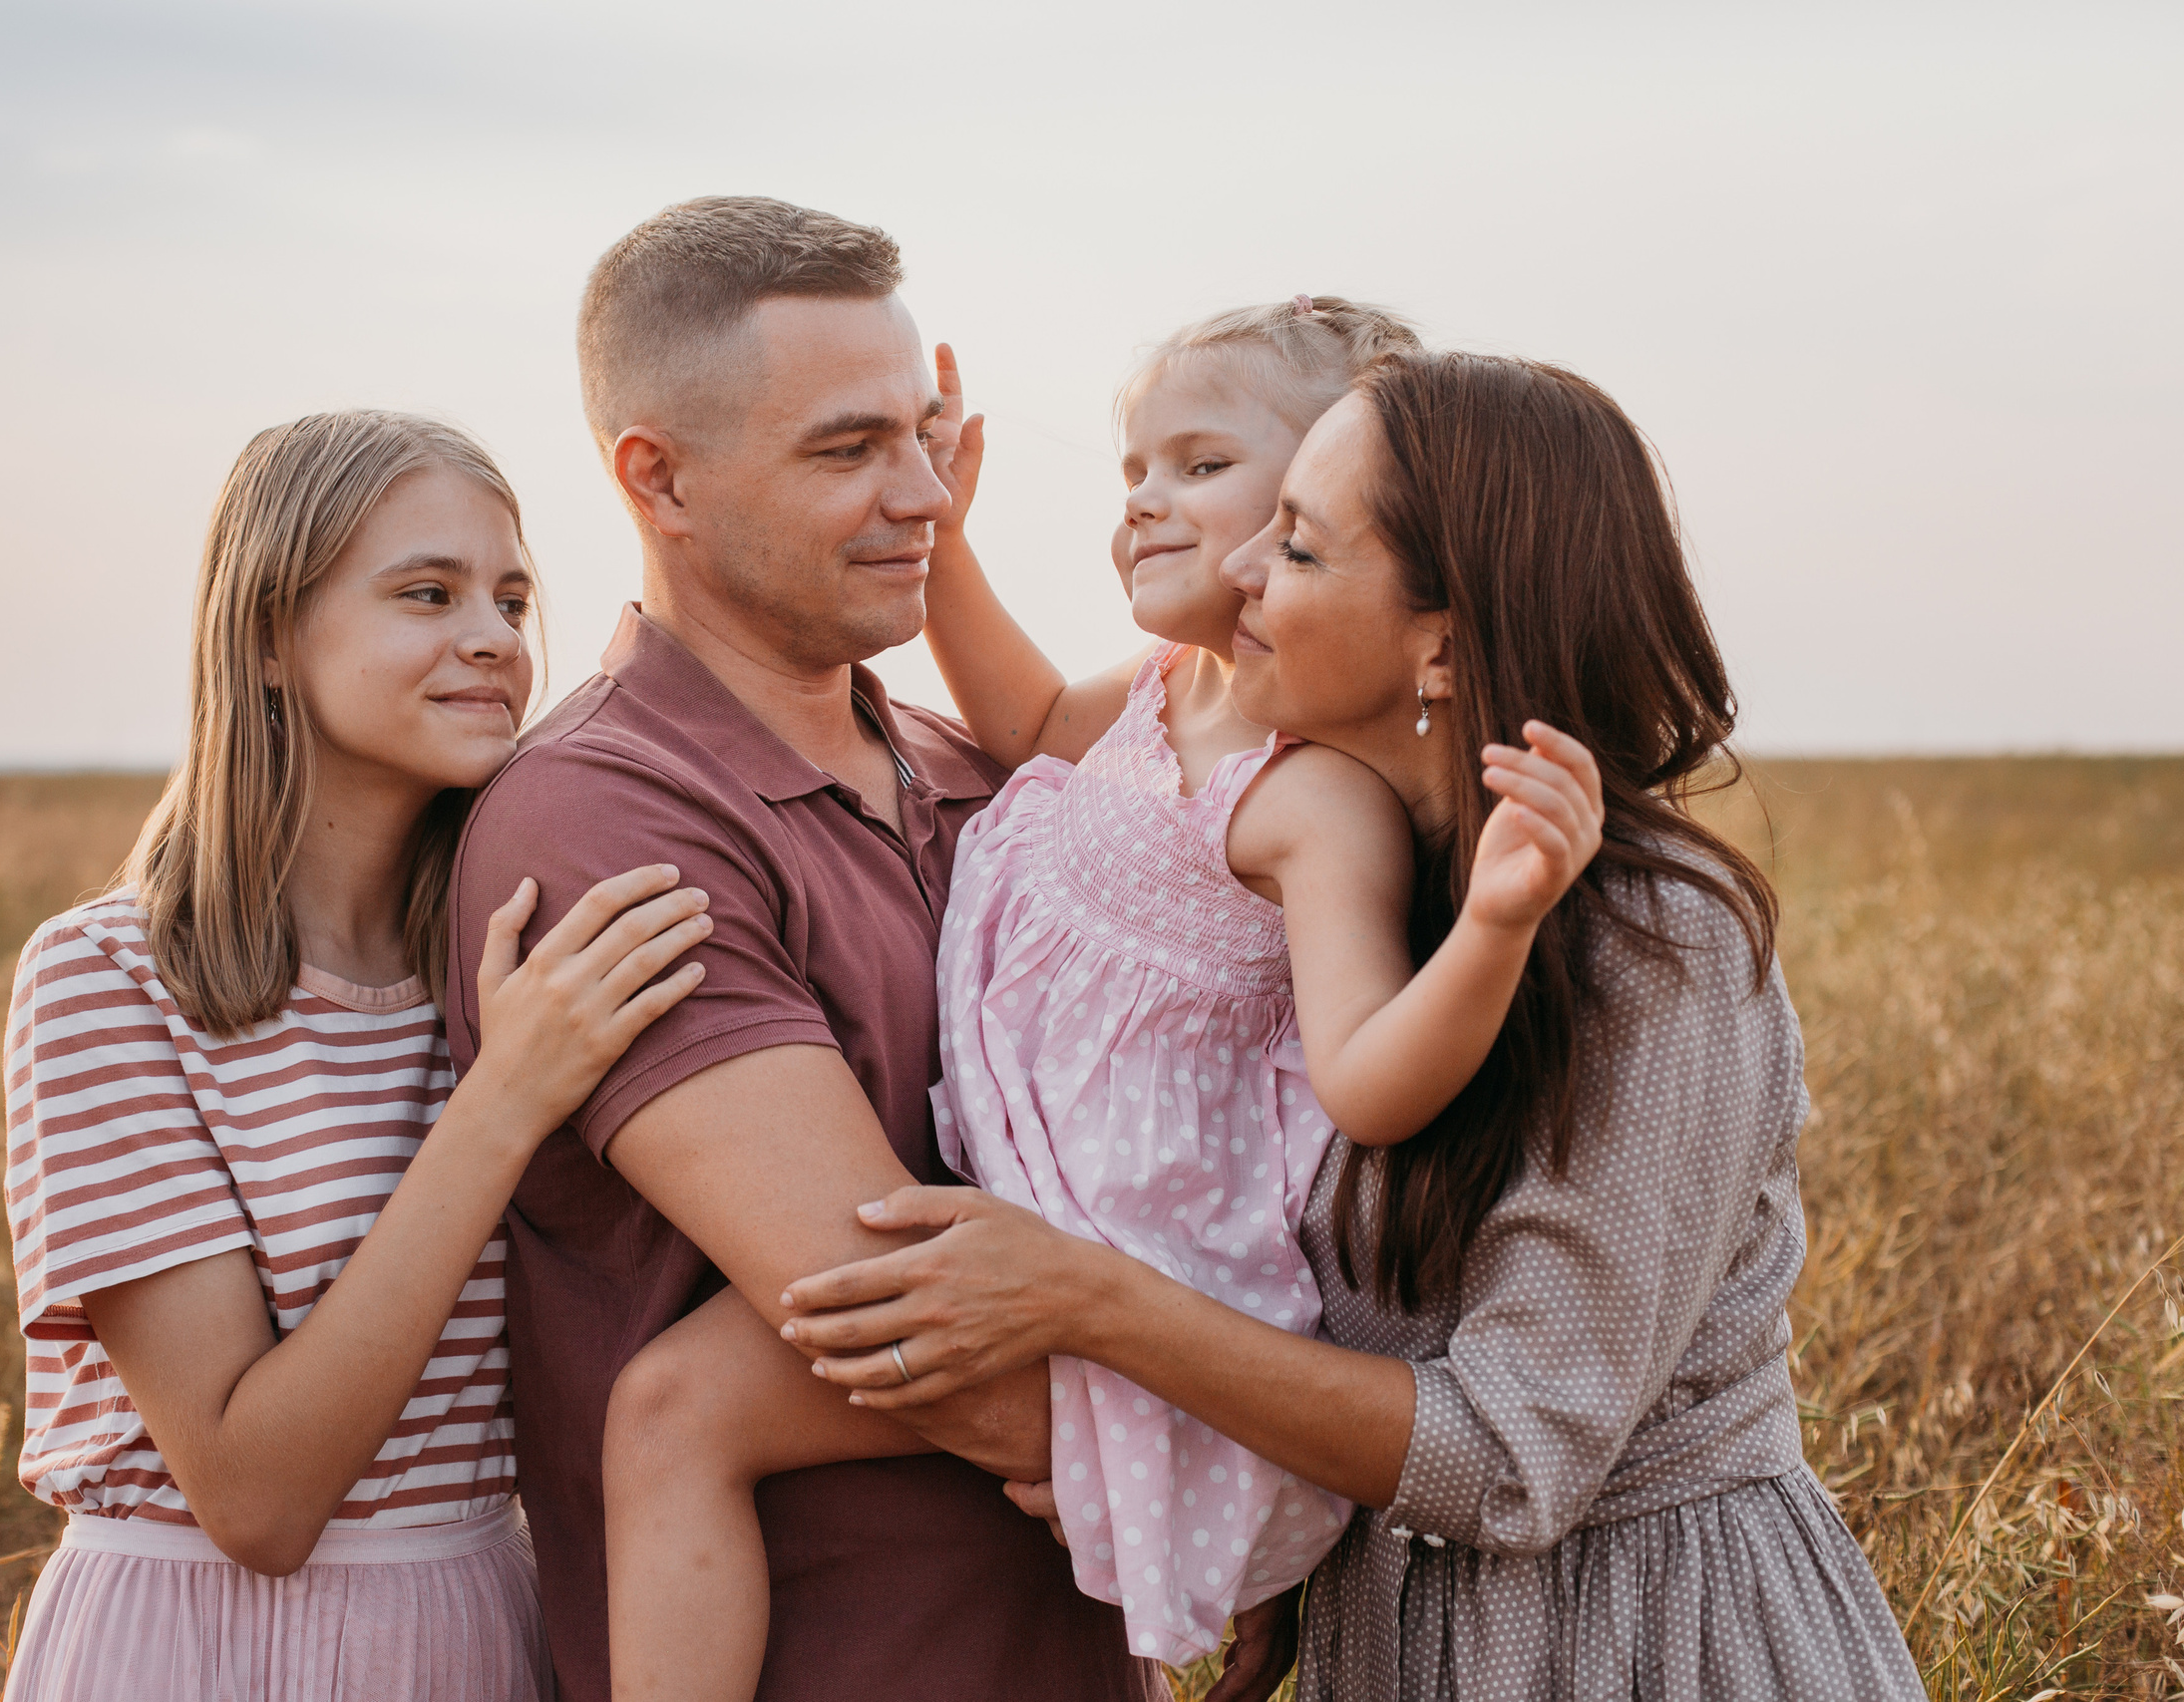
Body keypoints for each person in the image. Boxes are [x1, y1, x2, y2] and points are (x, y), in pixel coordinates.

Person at [783, 351, 1930, 1701]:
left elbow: (1512, 1453)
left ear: (1440, 638)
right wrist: (1291, 1539)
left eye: (1303, 548)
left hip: (1636, 1641)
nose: (1246, 573)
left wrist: (1085, 1301)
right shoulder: (1342, 897)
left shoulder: (1649, 942)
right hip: (1396, 1629)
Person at [605, 293, 1608, 1680]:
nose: (1144, 503)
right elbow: (1018, 724)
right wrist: (944, 538)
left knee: (676, 1409)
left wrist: (1495, 927)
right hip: (1034, 1222)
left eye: (1202, 468)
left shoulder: (1312, 799)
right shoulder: (1161, 694)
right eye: (1134, 470)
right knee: (672, 1413)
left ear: (1339, 505)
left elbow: (1367, 1079)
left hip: (1137, 1278)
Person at [446, 196, 1163, 1702]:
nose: (922, 497)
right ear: (660, 479)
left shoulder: (981, 778)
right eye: (847, 450)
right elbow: (900, 1316)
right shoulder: (607, 818)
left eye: (926, 435)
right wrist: (1296, 1453)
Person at [1, 411, 712, 1701]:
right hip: (198, 1645)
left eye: (510, 596)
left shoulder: (512, 970)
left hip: (478, 1624)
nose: (494, 637)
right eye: (426, 594)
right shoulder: (106, 981)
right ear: (271, 637)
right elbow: (257, 1498)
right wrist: (503, 1104)